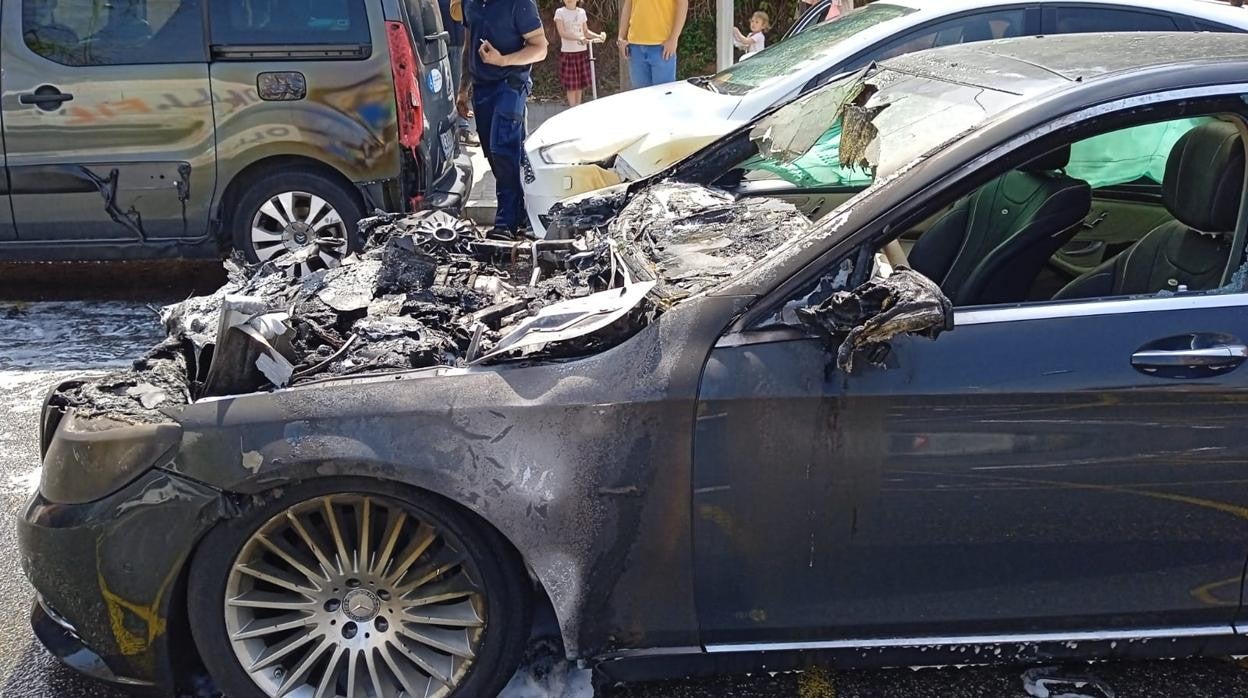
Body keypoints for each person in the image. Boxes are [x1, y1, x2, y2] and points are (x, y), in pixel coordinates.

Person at [456, 0, 548, 237]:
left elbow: (540, 47)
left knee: (503, 149)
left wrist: (503, 60)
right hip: (481, 86)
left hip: (512, 82)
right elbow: (468, 45)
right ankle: (524, 212)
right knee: (494, 154)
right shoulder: (470, 3)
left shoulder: (520, 3)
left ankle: (505, 223)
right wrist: (463, 88)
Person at [617, 0, 688, 89]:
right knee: (642, 97)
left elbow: (683, 4)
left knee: (664, 96)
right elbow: (628, 5)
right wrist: (621, 37)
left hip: (662, 48)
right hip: (635, 48)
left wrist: (673, 39)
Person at [555, 0, 605, 106]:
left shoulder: (581, 12)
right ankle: (572, 109)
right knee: (571, 86)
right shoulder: (560, 12)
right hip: (568, 53)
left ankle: (577, 108)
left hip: (581, 53)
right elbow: (562, 33)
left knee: (580, 85)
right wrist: (579, 38)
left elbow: (585, 32)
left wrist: (598, 36)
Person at [439, 0, 475, 144]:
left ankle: (462, 129)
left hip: (458, 39)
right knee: (443, 91)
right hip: (438, 39)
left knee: (460, 86)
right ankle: (451, 133)